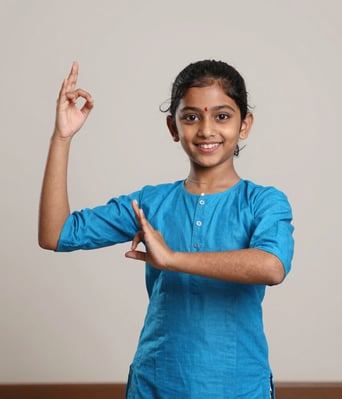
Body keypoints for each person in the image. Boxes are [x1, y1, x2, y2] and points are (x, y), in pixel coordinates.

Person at [39, 60, 294, 399]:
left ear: (244, 124)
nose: (205, 130)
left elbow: (271, 266)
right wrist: (62, 137)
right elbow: (56, 234)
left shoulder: (263, 202)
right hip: (156, 385)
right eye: (190, 117)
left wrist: (173, 258)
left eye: (222, 116)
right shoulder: (150, 204)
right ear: (172, 128)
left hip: (239, 386)